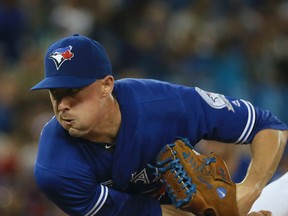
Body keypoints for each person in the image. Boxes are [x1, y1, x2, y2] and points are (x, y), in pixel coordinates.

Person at [30, 34, 287, 216]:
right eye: (55, 94)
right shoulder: (55, 168)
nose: (62, 104)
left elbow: (267, 125)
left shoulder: (163, 103)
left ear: (106, 85)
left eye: (73, 91)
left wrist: (250, 188)